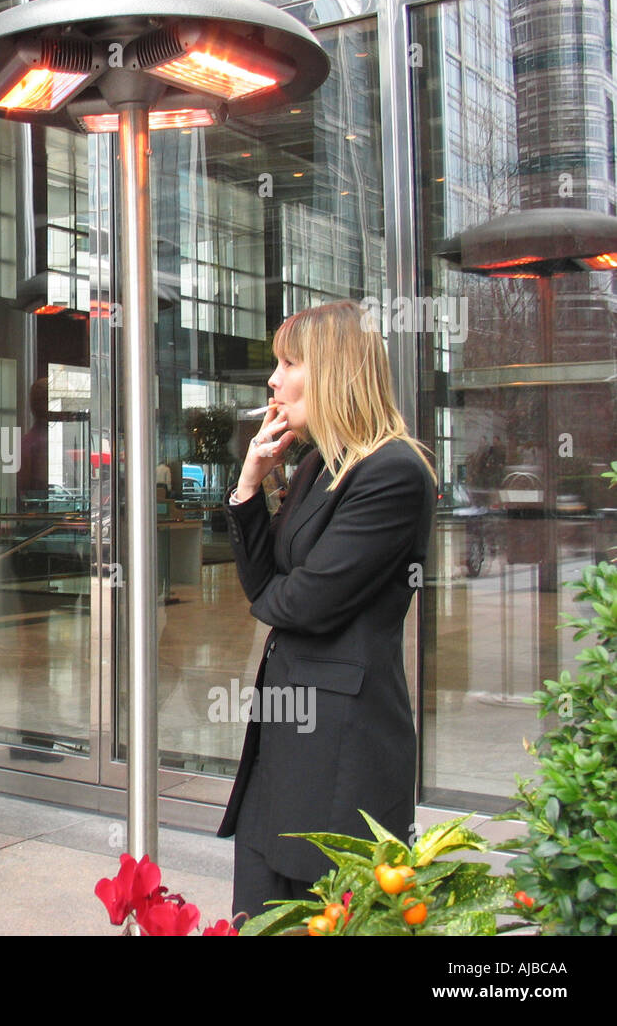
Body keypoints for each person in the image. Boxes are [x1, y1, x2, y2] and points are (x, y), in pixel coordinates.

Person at [218, 300, 436, 920]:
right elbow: (268, 588)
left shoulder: (393, 471)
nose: (273, 380)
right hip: (287, 740)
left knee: (321, 914)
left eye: (289, 362)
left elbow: (300, 603)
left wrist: (273, 600)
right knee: (259, 911)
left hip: (343, 754)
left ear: (336, 369)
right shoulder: (320, 465)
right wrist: (249, 484)